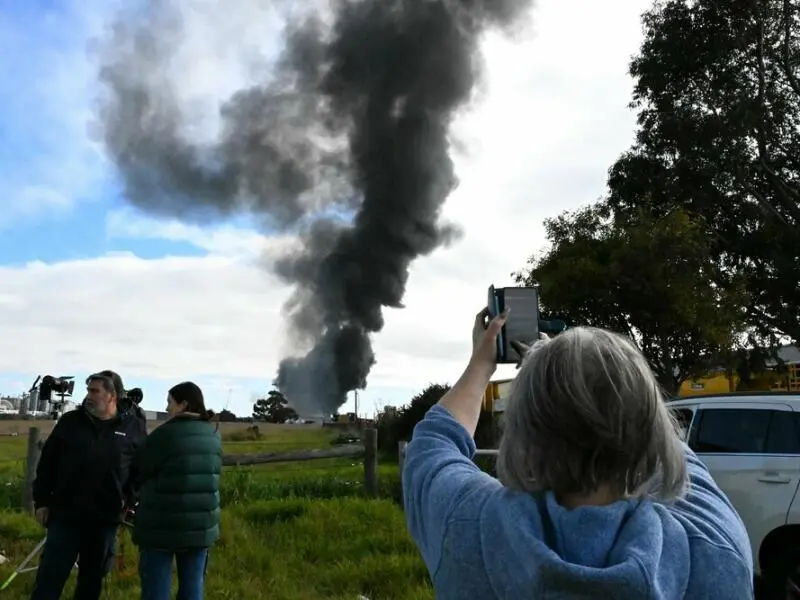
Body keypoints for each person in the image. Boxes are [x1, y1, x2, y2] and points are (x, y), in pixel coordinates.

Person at [402, 308, 754, 599]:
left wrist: (483, 363)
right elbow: (660, 441)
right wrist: (605, 377)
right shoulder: (714, 549)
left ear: (523, 435)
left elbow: (433, 443)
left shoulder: (466, 525)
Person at [30, 370, 148, 600]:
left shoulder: (133, 427)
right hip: (64, 514)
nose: (88, 396)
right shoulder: (70, 422)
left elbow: (140, 471)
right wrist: (42, 501)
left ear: (112, 396)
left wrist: (129, 501)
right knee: (49, 578)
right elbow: (47, 464)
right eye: (88, 390)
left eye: (95, 391)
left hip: (104, 519)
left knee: (91, 581)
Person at [134, 381, 222, 600]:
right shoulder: (212, 436)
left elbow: (139, 470)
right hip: (201, 526)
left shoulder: (165, 435)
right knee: (193, 588)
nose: (166, 408)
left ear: (183, 404)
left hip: (162, 526)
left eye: (169, 402)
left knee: (157, 589)